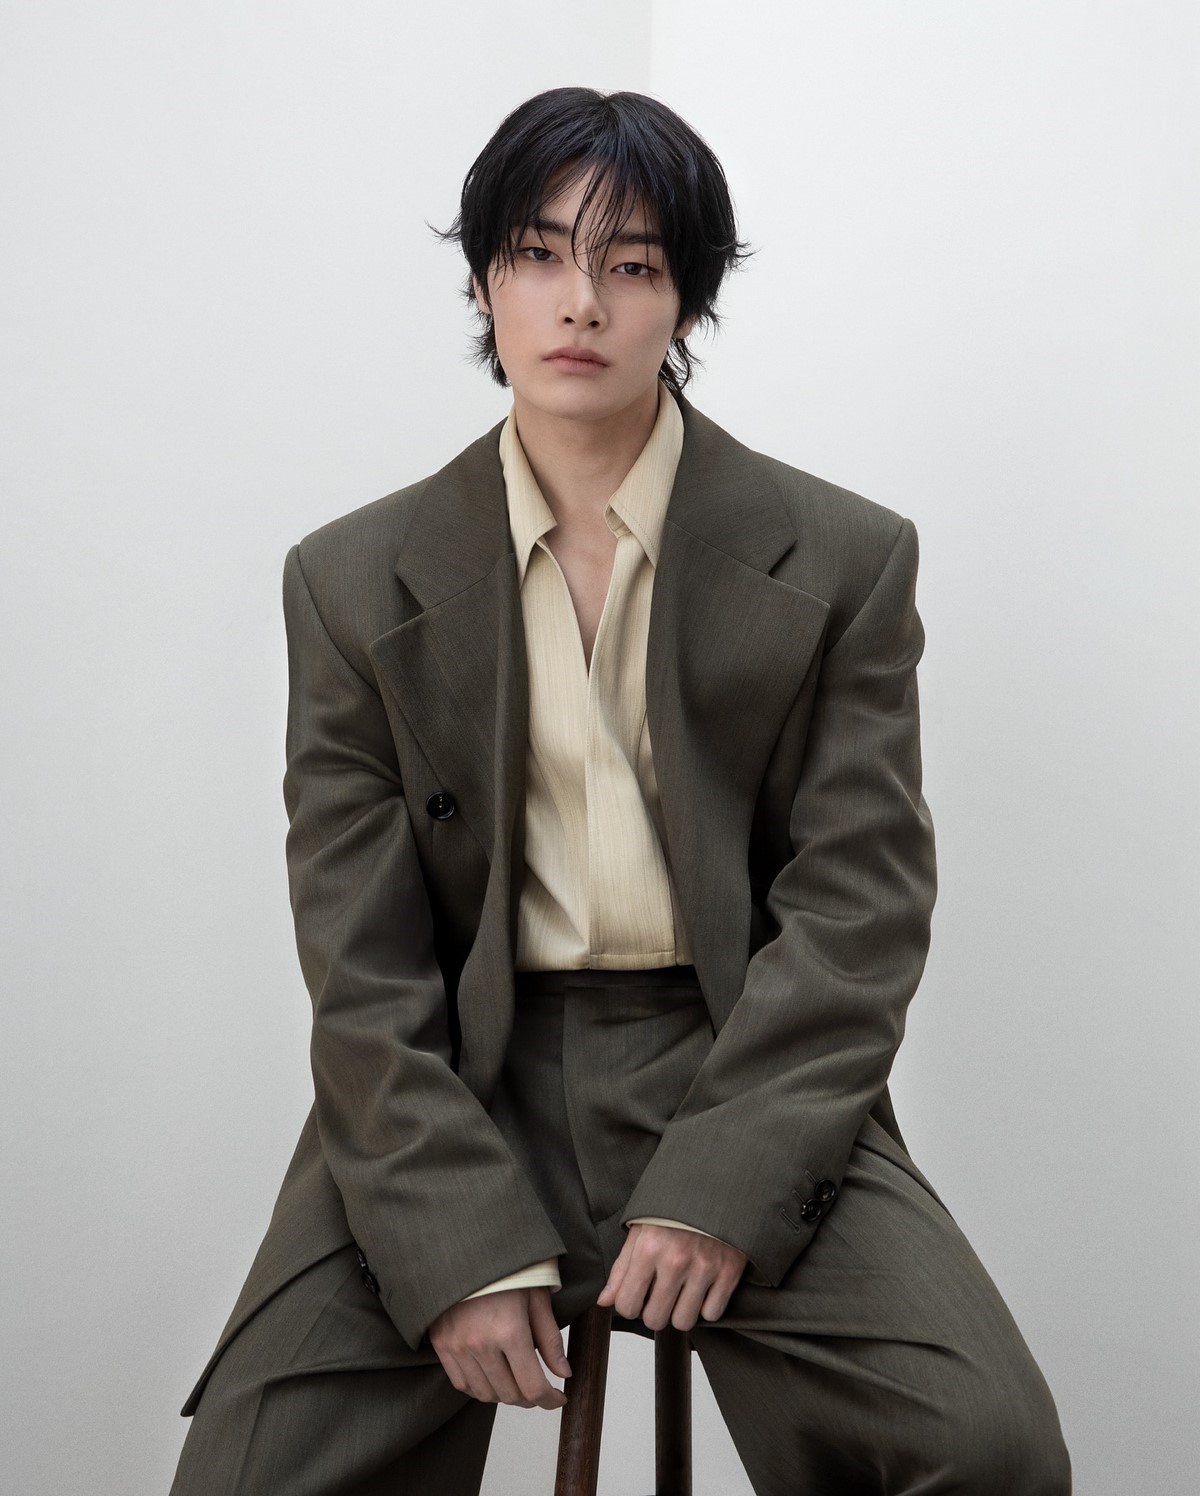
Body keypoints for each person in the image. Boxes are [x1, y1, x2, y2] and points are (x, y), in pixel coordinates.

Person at [168, 86, 1072, 1494]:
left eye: (631, 263)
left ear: (687, 301)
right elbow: (360, 961)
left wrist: (725, 1186)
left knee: (990, 1451)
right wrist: (455, 1241)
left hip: (732, 1056)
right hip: (465, 1073)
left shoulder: (844, 558)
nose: (579, 301)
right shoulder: (349, 581)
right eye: (537, 253)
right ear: (485, 281)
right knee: (246, 1476)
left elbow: (859, 911)